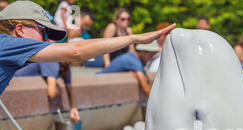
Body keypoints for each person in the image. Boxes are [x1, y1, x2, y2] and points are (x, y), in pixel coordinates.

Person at [0, 1, 175, 114]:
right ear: (20, 29)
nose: (47, 40)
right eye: (43, 32)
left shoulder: (9, 50)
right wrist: (134, 38)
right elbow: (76, 51)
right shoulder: (8, 44)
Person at [14, 61, 79, 120]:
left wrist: (73, 108)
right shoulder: (52, 63)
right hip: (15, 83)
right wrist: (56, 89)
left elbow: (69, 88)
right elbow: (51, 93)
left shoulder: (65, 68)